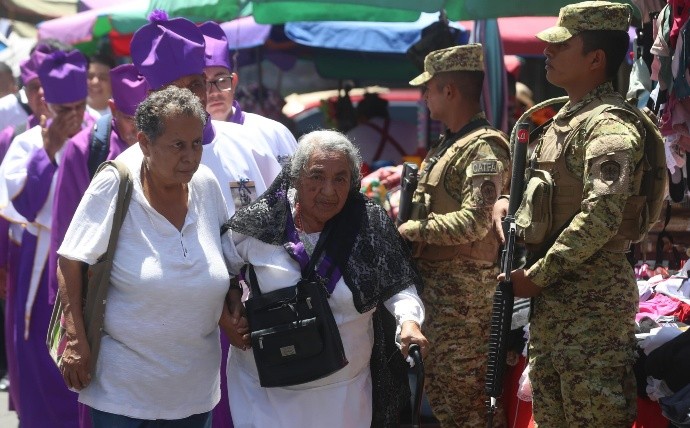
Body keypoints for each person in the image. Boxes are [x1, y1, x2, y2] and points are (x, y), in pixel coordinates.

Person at [493, 2, 642, 426]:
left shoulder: (608, 126)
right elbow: (545, 197)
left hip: (592, 305)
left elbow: (601, 217)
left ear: (596, 59)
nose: (547, 52)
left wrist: (538, 276)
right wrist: (511, 207)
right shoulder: (561, 122)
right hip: (555, 304)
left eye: (561, 46)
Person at [222, 129, 428, 427]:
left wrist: (409, 321)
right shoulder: (262, 222)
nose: (329, 191)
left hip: (345, 393)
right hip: (270, 393)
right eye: (317, 177)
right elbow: (218, 268)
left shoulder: (367, 224)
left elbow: (399, 286)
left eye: (340, 178)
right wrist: (226, 311)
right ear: (295, 177)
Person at [56, 85, 231, 427]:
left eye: (196, 143)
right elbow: (70, 260)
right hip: (123, 395)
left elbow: (227, 261)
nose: (190, 156)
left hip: (194, 391)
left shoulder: (207, 185)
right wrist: (75, 340)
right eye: (177, 145)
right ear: (145, 143)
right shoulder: (116, 184)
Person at [399, 43, 511, 427]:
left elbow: (474, 222)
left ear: (449, 90)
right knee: (449, 407)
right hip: (440, 299)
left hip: (465, 306)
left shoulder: (483, 146)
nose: (423, 96)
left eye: (428, 88)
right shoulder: (448, 145)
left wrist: (409, 230)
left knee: (471, 411)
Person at [0, 48, 95, 428]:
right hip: (41, 267)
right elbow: (18, 205)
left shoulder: (99, 133)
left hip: (93, 263)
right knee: (42, 350)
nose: (72, 117)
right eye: (63, 109)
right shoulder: (26, 142)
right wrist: (52, 151)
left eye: (78, 106)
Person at [129, 12, 281, 217]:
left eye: (194, 85)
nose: (187, 98)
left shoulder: (248, 144)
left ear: (203, 81)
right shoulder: (128, 169)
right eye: (173, 90)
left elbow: (274, 223)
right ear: (151, 97)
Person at [199, 21, 297, 162]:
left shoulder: (272, 133)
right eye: (203, 84)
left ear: (234, 82)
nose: (214, 92)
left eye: (221, 80)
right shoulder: (190, 144)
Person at [346, 92, 418, 168]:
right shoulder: (411, 129)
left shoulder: (351, 135)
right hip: (409, 176)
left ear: (361, 117)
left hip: (368, 178)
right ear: (386, 113)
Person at [85, 53, 116, 118]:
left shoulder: (121, 117)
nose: (95, 82)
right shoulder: (72, 115)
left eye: (103, 78)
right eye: (90, 76)